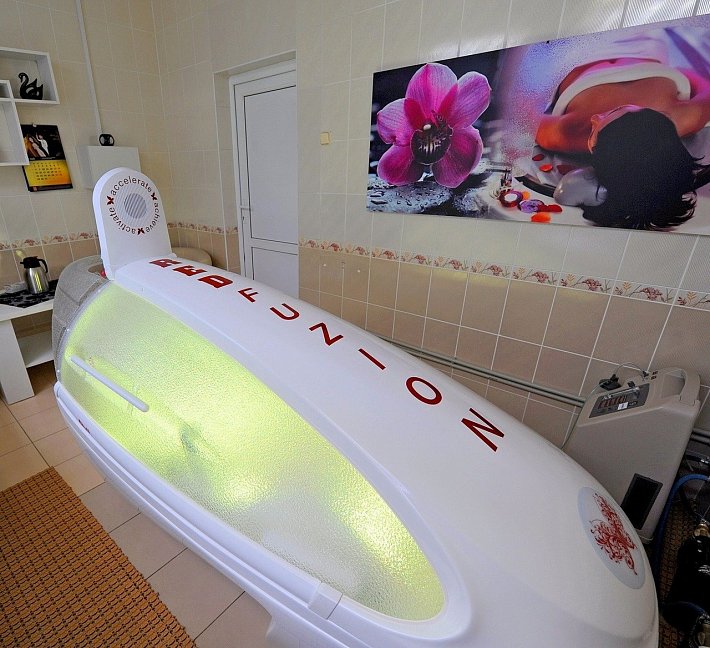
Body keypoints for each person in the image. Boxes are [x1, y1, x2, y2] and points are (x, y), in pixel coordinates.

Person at [533, 35, 710, 230]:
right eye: (618, 110)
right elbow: (705, 86)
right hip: (643, 42)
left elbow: (524, 111)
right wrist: (677, 73)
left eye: (593, 131)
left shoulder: (565, 133)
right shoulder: (683, 118)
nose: (594, 118)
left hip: (577, 51)